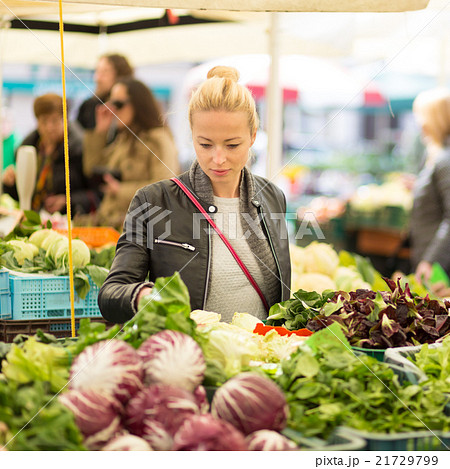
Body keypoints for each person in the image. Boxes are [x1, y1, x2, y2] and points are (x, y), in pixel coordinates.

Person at [98, 66, 291, 324]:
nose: (218, 159)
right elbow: (111, 294)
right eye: (205, 144)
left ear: (253, 136)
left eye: (232, 145)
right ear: (192, 136)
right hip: (190, 356)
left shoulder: (272, 197)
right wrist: (144, 296)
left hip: (261, 357)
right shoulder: (152, 201)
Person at [83, 77, 180, 229]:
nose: (112, 110)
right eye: (110, 104)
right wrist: (100, 133)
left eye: (118, 104)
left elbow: (165, 188)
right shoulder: (124, 138)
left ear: (138, 104)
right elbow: (92, 169)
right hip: (111, 225)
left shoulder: (157, 139)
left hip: (140, 230)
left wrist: (120, 190)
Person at [2, 93, 94, 215]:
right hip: (35, 218)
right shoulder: (29, 147)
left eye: (55, 121)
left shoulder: (80, 148)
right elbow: (23, 197)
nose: (49, 128)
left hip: (70, 222)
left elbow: (96, 193)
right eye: (44, 121)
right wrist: (11, 183)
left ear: (65, 119)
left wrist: (68, 202)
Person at [410, 88, 450, 284]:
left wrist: (431, 260)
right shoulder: (437, 154)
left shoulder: (445, 160)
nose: (419, 125)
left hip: (440, 268)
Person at [77, 53, 134, 131]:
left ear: (120, 75)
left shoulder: (129, 107)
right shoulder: (88, 106)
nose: (97, 78)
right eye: (97, 71)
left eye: (105, 72)